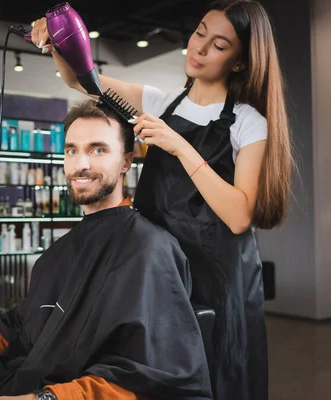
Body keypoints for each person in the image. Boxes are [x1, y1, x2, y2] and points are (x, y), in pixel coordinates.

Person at [31, 1, 294, 399]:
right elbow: (83, 82)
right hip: (160, 268)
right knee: (154, 373)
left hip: (221, 279)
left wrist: (180, 146)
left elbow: (240, 216)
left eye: (219, 45)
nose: (200, 47)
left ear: (240, 62)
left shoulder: (248, 122)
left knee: (218, 373)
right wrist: (56, 43)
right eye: (200, 31)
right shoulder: (160, 103)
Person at [0, 100, 213, 400]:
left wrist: (47, 398)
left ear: (126, 161)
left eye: (97, 149)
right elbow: (16, 330)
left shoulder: (149, 249)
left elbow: (150, 375)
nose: (81, 164)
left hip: (64, 392)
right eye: (71, 151)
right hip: (31, 377)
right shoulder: (60, 254)